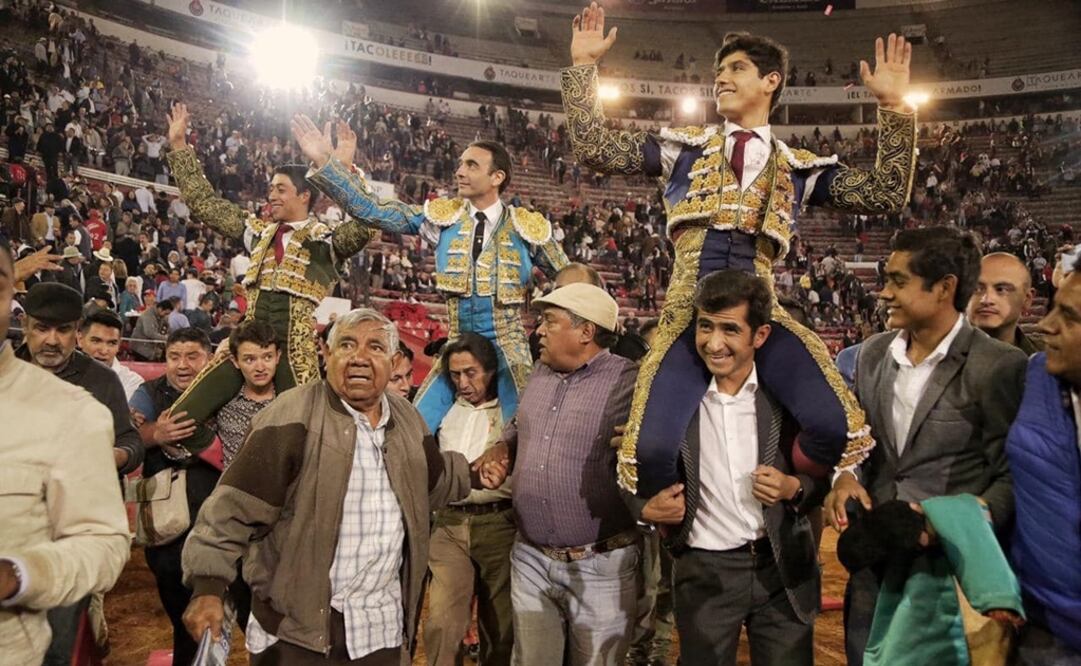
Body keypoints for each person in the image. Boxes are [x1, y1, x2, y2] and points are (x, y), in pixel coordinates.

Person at [561, 4, 918, 497]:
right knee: (649, 453)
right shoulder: (682, 148)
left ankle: (788, 494)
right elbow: (596, 148)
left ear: (771, 80)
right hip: (689, 312)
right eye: (718, 72)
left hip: (759, 313)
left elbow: (885, 192)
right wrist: (583, 68)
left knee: (836, 426)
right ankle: (680, 535)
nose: (721, 80)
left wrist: (896, 108)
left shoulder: (795, 165)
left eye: (735, 69)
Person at [179, 309, 507, 665]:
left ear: (393, 360)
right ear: (326, 353)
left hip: (379, 628)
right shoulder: (291, 414)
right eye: (347, 344)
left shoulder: (408, 420)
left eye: (376, 347)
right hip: (296, 634)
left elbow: (433, 477)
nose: (360, 358)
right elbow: (231, 508)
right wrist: (208, 585)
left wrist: (474, 474)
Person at [823, 227, 1028, 665]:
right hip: (875, 557)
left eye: (899, 281)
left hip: (949, 574)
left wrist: (953, 525)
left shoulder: (999, 366)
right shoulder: (871, 354)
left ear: (945, 288)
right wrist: (844, 476)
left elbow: (1011, 476)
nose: (884, 293)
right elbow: (856, 442)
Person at [293, 117, 569, 432]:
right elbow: (374, 210)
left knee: (525, 427)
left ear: (497, 177)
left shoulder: (526, 225)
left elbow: (571, 277)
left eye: (471, 166)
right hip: (457, 339)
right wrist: (326, 163)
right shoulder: (442, 217)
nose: (460, 172)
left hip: (509, 344)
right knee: (413, 426)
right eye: (461, 164)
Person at [636, 270, 827, 666]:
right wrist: (641, 508)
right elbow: (622, 461)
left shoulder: (788, 396)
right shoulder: (668, 396)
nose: (714, 342)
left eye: (729, 329)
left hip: (782, 571)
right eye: (705, 326)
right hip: (705, 571)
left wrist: (795, 487)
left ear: (759, 336)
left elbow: (824, 474)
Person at [164, 102, 375, 453]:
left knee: (308, 442)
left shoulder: (326, 239)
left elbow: (368, 223)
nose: (271, 195)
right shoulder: (258, 232)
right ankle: (232, 472)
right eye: (271, 188)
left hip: (295, 351)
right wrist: (179, 145)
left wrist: (339, 168)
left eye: (280, 189)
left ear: (304, 195)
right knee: (178, 420)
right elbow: (205, 204)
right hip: (245, 343)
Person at [475, 283, 640, 665]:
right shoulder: (541, 372)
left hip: (600, 564)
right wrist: (503, 445)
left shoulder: (628, 381)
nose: (540, 330)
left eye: (550, 321)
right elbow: (520, 424)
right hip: (531, 557)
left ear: (586, 332)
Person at [0, 242, 130, 666]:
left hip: (60, 567)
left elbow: (132, 442)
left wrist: (106, 458)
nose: (51, 340)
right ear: (27, 326)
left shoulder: (96, 388)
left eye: (62, 330)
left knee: (75, 639)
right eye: (41, 329)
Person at [128, 327, 221, 666]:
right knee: (183, 620)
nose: (183, 365)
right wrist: (156, 432)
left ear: (208, 359)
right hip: (167, 532)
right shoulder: (147, 394)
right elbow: (128, 438)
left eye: (192, 356)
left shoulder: (225, 391)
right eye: (174, 356)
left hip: (219, 527)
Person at [1006, 263, 1081, 664]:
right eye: (1053, 308)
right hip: (1043, 629)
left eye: (1069, 316)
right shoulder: (1037, 376)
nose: (1046, 326)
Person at [425, 332, 515, 666]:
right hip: (449, 523)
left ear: (491, 371)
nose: (462, 382)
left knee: (501, 626)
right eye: (455, 374)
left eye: (470, 373)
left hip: (501, 523)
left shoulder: (513, 413)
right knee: (443, 623)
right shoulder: (442, 412)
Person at [216, 320, 280, 469]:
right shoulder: (224, 405)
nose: (260, 367)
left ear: (277, 357)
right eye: (250, 359)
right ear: (236, 361)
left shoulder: (290, 403)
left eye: (267, 357)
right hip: (233, 489)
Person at [967, 252, 1043, 355]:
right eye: (977, 289)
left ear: (1027, 299)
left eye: (1001, 289)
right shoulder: (940, 353)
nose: (986, 300)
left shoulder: (1050, 358)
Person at [78, 308, 145, 400]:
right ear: (80, 339)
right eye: (96, 341)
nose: (104, 351)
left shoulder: (131, 382)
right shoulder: (60, 376)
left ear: (119, 345)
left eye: (112, 343)